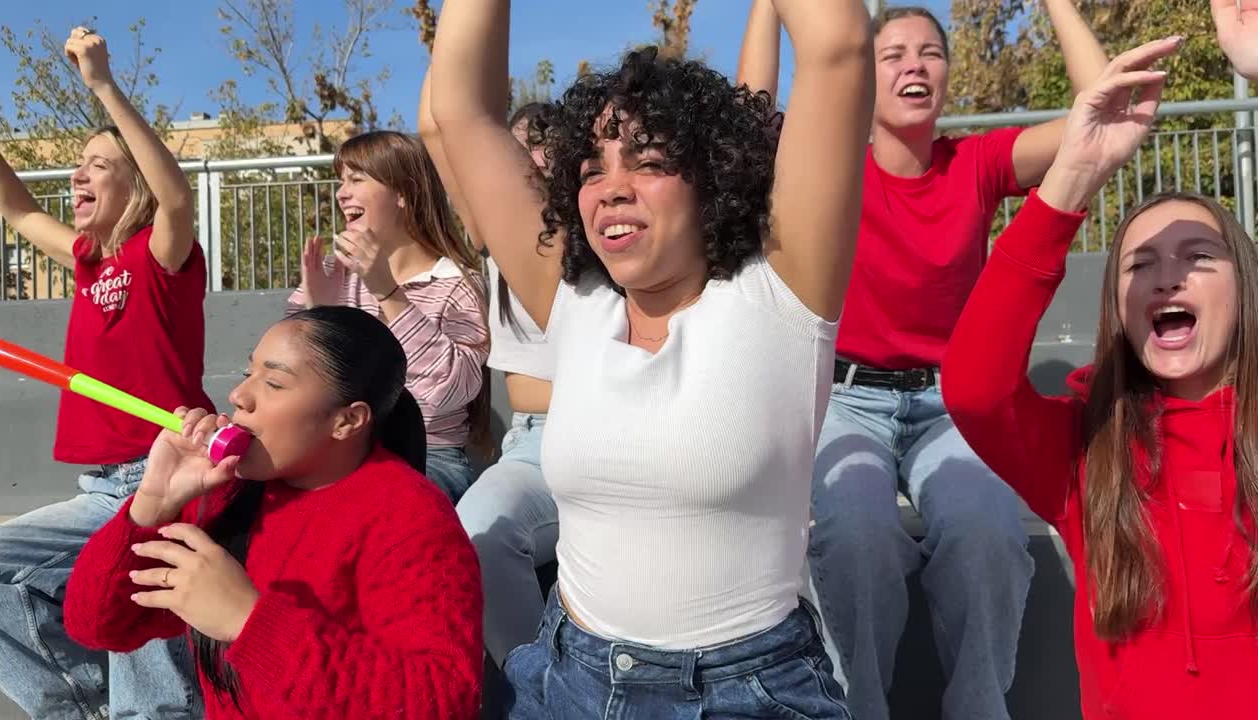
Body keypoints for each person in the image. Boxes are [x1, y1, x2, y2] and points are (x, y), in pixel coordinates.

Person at [430, 0, 873, 716]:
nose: (611, 186)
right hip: (567, 681)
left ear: (716, 179)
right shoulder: (574, 298)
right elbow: (460, 108)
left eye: (651, 161)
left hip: (750, 693)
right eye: (591, 166)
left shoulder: (783, 290)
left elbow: (838, 45)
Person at [734, 2, 1106, 717]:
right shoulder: (831, 168)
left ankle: (977, 708)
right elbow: (750, 119)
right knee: (854, 532)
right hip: (847, 400)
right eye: (893, 53)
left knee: (988, 528)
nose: (913, 64)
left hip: (950, 404)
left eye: (930, 53)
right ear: (863, 80)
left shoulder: (976, 163)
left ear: (946, 78)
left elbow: (1100, 117)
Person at [941, 33, 1258, 719]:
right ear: (1115, 305)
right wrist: (1075, 173)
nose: (1167, 274)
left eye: (1198, 256)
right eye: (1139, 265)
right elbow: (972, 387)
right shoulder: (1086, 449)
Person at [63, 305, 484, 720]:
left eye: (275, 383)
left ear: (347, 420)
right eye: (250, 373)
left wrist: (249, 621)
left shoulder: (409, 517)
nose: (238, 396)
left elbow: (442, 700)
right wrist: (152, 504)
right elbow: (97, 625)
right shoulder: (232, 494)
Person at [0, 27, 211, 720]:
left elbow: (176, 201)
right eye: (78, 163)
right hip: (99, 492)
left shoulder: (159, 256)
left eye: (98, 164)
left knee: (152, 676)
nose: (78, 174)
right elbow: (17, 211)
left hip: (161, 478)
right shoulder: (86, 260)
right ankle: (82, 709)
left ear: (133, 181)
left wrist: (102, 85)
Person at [419, 73, 560, 669]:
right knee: (477, 531)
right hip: (530, 443)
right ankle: (543, 696)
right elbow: (436, 126)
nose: (524, 160)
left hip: (608, 428)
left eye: (540, 146)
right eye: (514, 146)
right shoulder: (496, 229)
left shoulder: (601, 225)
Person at [289, 130, 490, 503]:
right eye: (341, 180)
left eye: (356, 179)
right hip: (338, 452)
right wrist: (320, 316)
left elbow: (452, 390)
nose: (341, 193)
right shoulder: (332, 275)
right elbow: (287, 384)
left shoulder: (456, 283)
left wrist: (387, 292)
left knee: (374, 503)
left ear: (403, 194)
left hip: (432, 455)